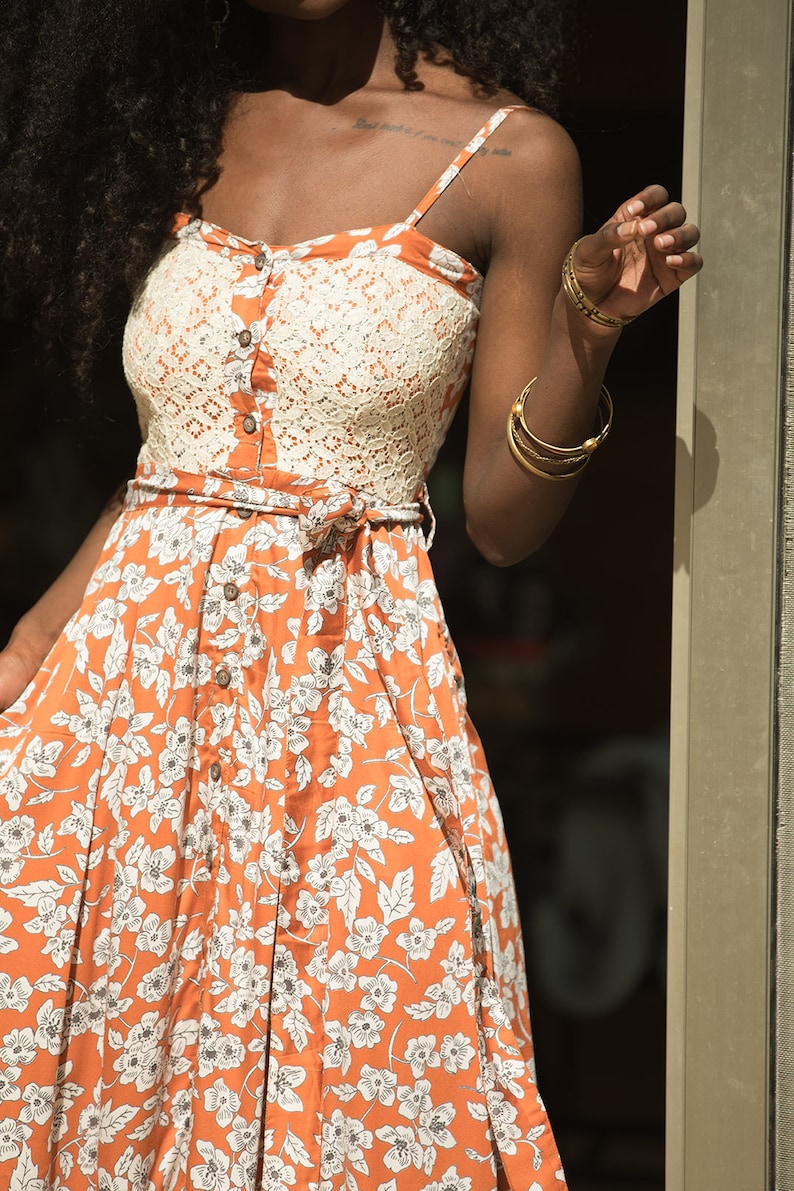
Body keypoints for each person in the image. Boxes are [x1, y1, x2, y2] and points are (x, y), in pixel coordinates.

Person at [0, 1, 702, 1187]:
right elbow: (170, 476)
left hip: (344, 707)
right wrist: (24, 652)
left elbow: (500, 518)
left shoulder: (509, 156)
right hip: (117, 724)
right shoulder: (182, 127)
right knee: (95, 1084)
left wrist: (586, 330)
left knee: (361, 1084)